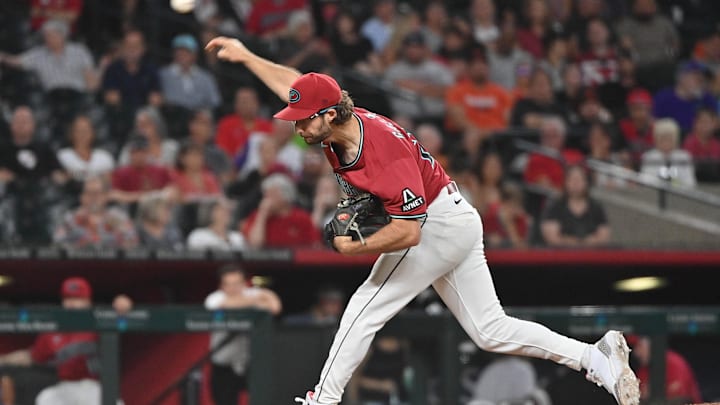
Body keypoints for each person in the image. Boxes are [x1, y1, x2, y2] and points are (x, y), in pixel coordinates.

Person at [206, 36, 640, 405]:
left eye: (304, 120)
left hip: (433, 225)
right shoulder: (331, 118)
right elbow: (293, 87)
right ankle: (595, 358)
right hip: (452, 215)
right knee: (490, 329)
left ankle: (324, 399)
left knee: (364, 306)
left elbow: (409, 232)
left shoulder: (381, 155)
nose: (297, 127)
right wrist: (247, 56)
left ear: (330, 114)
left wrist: (353, 248)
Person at [0, 277, 132, 405]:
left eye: (77, 298)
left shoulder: (99, 319)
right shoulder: (53, 330)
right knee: (46, 398)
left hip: (94, 387)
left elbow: (122, 310)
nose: (72, 304)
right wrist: (4, 359)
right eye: (68, 298)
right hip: (65, 387)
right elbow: (32, 356)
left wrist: (123, 304)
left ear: (88, 301)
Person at [204, 264, 282, 405]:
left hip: (249, 363)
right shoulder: (214, 298)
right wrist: (256, 300)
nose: (234, 288)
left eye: (237, 283)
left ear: (244, 283)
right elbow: (223, 305)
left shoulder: (250, 294)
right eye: (229, 284)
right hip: (224, 365)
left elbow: (275, 307)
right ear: (222, 286)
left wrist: (263, 294)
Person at [54, 176, 139, 249]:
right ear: (82, 197)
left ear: (106, 196)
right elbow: (58, 243)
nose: (93, 198)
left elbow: (133, 242)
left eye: (97, 193)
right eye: (89, 193)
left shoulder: (118, 217)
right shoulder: (71, 218)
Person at [241, 173, 320, 248]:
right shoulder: (256, 216)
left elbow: (315, 245)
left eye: (272, 194)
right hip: (265, 261)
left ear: (286, 196)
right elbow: (255, 244)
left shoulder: (302, 218)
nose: (266, 199)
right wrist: (262, 215)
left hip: (296, 260)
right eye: (265, 195)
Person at [540, 165, 611, 248]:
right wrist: (572, 242)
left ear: (586, 182)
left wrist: (588, 242)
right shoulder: (555, 206)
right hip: (561, 256)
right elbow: (552, 237)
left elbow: (604, 236)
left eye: (579, 179)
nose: (576, 183)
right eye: (572, 179)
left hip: (591, 255)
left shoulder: (596, 207)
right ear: (566, 182)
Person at [626, 335, 703, 404]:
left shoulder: (674, 363)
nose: (636, 353)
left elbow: (682, 400)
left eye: (639, 346)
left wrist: (653, 393)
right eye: (634, 348)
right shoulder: (642, 371)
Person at [640, 118, 697, 188]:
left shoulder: (684, 156)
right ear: (656, 139)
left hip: (680, 195)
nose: (666, 142)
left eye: (669, 138)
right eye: (663, 138)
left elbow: (690, 183)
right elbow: (645, 181)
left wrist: (675, 182)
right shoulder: (648, 156)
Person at [57, 115, 115, 182]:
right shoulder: (62, 156)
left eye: (86, 130)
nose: (83, 134)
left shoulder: (104, 157)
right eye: (79, 131)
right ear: (71, 134)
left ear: (93, 133)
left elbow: (110, 183)